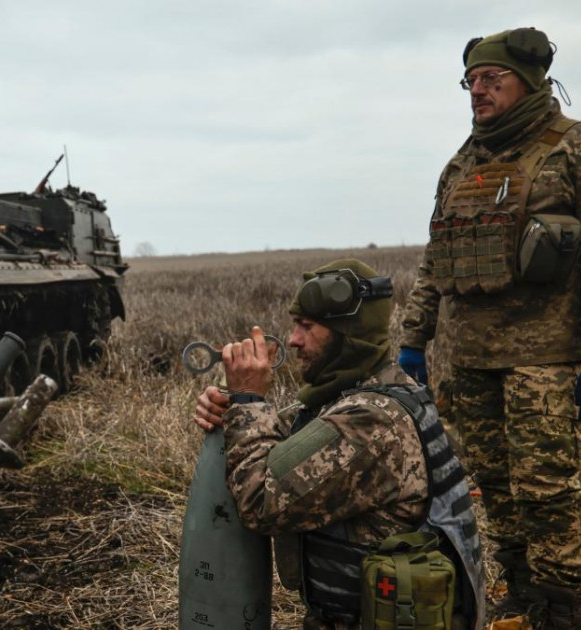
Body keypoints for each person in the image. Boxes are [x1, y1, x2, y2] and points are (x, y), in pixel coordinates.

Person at [398, 27, 581, 629]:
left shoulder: (569, 149)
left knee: (548, 491)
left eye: (490, 80)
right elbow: (435, 257)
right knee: (497, 487)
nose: (476, 92)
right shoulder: (463, 162)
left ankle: (564, 607)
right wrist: (413, 339)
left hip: (548, 358)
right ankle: (524, 595)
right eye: (470, 81)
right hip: (472, 357)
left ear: (525, 83)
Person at [193, 259, 483, 630]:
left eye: (308, 327)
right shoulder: (374, 394)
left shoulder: (372, 422)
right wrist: (230, 407)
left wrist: (249, 403)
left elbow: (260, 503)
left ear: (349, 334)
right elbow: (292, 433)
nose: (294, 339)